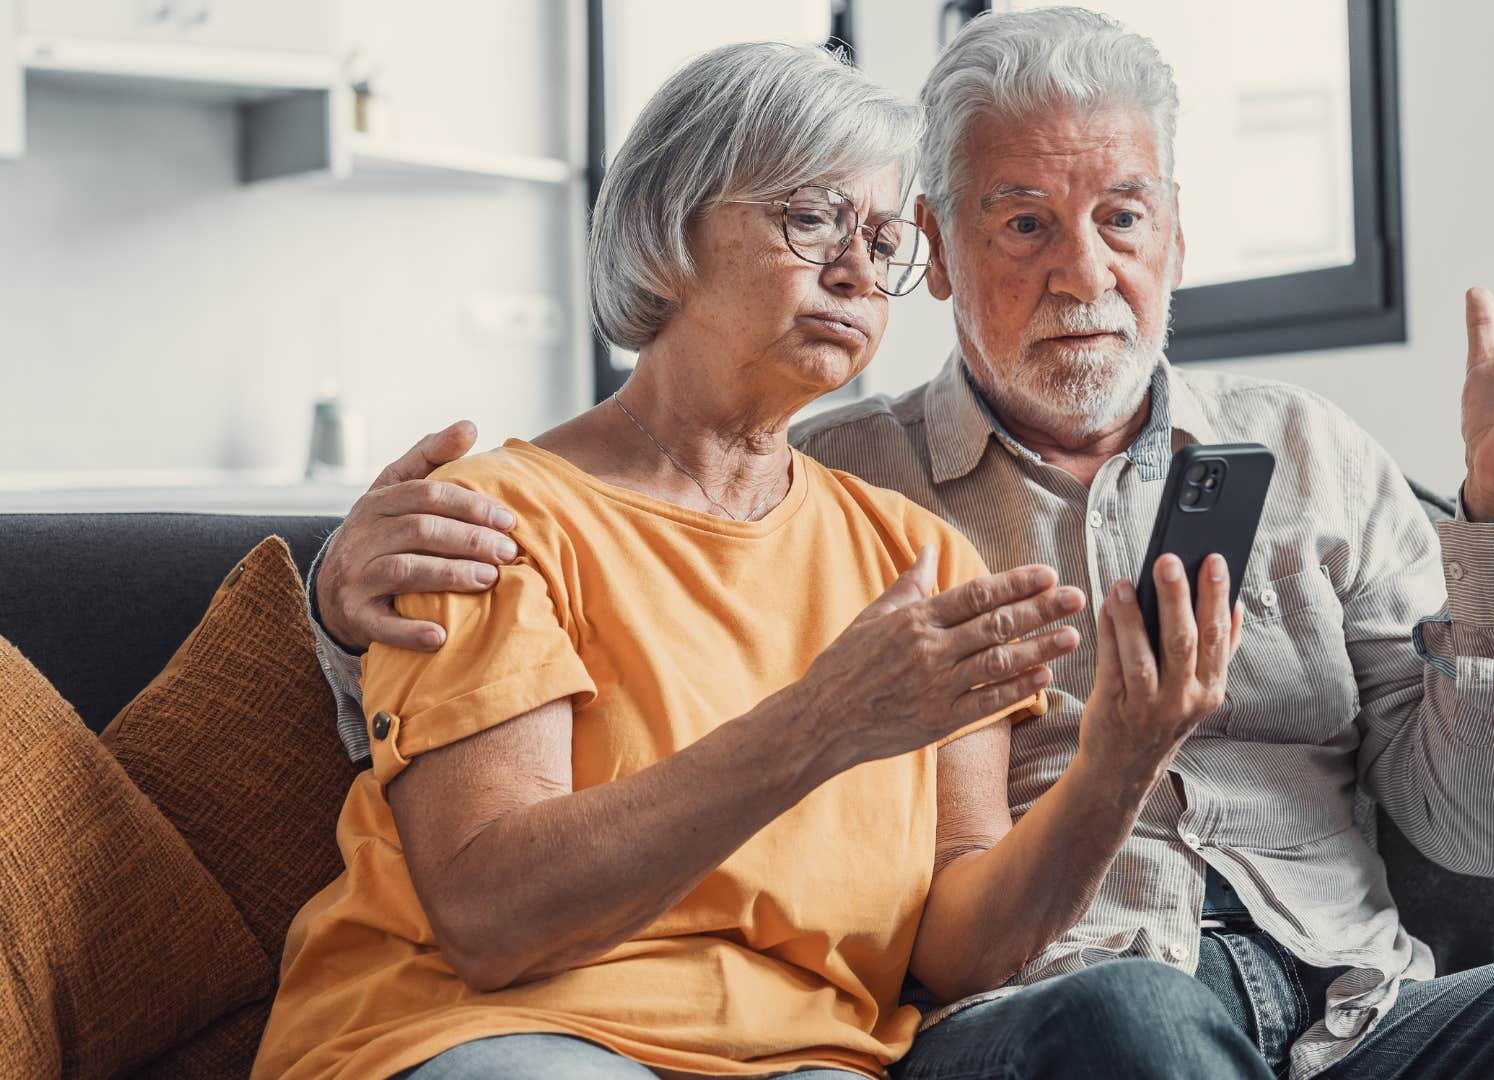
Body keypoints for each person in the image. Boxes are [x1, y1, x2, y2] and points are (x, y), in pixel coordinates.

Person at [307, 8, 1494, 1079]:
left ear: (1176, 237)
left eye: (1121, 216)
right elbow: (611, 552)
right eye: (1020, 220)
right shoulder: (849, 482)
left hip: (1361, 1014)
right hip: (1075, 1019)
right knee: (1134, 1023)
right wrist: (336, 585)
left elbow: (1488, 837)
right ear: (956, 252)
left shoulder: (1305, 457)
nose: (1080, 270)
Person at [253, 39, 1235, 1080]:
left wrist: (1118, 765)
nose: (858, 270)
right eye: (811, 219)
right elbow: (492, 916)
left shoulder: (919, 558)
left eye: (882, 237)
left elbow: (957, 952)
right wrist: (821, 722)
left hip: (806, 1059)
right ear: (671, 228)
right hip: (490, 1034)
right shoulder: (492, 519)